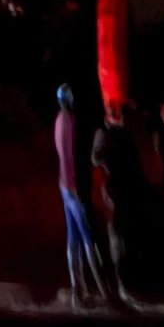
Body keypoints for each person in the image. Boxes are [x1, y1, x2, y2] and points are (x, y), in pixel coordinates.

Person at [55, 84, 108, 307]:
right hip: (74, 188)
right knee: (88, 238)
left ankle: (78, 291)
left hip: (63, 185)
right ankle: (106, 292)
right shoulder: (72, 123)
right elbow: (74, 156)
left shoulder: (58, 120)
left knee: (73, 238)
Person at [91, 106, 151, 305]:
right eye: (114, 113)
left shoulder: (125, 134)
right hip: (115, 193)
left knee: (128, 239)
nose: (119, 118)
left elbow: (135, 165)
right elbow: (96, 158)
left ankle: (131, 285)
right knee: (118, 240)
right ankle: (122, 287)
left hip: (128, 192)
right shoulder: (106, 134)